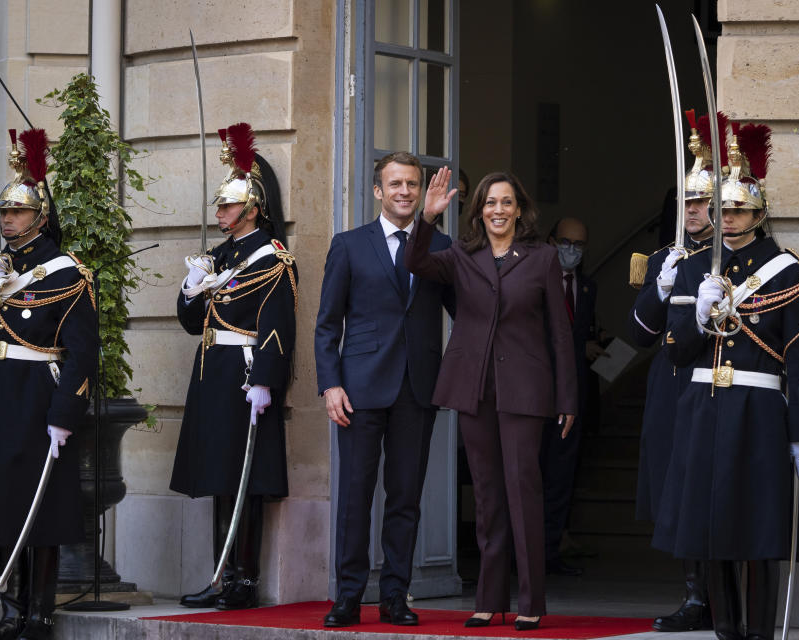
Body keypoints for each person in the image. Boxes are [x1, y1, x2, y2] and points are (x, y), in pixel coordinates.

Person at [652, 122, 799, 640]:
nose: (727, 220)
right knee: (710, 533)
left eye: (739, 211)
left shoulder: (787, 272)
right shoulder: (694, 267)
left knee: (759, 534)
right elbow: (677, 351)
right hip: (703, 407)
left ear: (758, 213)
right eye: (721, 211)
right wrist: (698, 316)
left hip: (758, 411)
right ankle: (726, 630)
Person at [406, 168, 577, 631]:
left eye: (505, 202)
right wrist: (427, 217)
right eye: (489, 203)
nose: (497, 210)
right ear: (478, 212)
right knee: (486, 496)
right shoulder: (461, 254)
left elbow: (560, 335)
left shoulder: (542, 258)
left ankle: (531, 601)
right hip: (473, 385)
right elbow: (414, 262)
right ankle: (489, 598)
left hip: (525, 389)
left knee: (524, 492)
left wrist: (568, 396)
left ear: (519, 209)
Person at [314, 151, 455, 627]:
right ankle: (348, 596)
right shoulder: (349, 245)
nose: (404, 192)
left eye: (412, 184)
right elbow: (327, 324)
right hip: (359, 389)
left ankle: (396, 595)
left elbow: (468, 314)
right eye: (395, 184)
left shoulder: (442, 246)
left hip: (417, 388)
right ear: (378, 190)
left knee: (405, 497)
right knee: (355, 496)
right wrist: (330, 384)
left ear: (422, 191)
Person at [0, 129, 96, 640]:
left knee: (39, 509)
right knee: (4, 505)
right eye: (5, 211)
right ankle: (9, 609)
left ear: (40, 217)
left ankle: (39, 613)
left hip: (37, 399)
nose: (8, 219)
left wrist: (65, 415)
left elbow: (83, 353)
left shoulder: (66, 274)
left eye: (19, 212)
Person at [171, 124, 298, 611]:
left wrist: (266, 379)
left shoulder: (272, 260)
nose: (220, 213)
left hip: (245, 376)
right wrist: (190, 288)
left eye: (228, 205)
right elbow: (189, 322)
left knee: (245, 480)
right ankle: (221, 575)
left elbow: (277, 325)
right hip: (213, 372)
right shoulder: (219, 256)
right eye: (220, 206)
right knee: (222, 477)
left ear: (253, 208)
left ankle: (244, 580)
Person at [631, 110, 720, 633]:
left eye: (701, 201)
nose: (691, 209)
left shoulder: (729, 255)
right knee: (677, 490)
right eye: (685, 201)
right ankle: (693, 595)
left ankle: (718, 596)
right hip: (671, 385)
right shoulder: (662, 257)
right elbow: (638, 333)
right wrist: (660, 290)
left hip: (710, 382)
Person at [539, 217, 601, 577]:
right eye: (565, 242)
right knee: (530, 474)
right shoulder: (534, 280)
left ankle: (549, 551)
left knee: (561, 477)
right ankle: (523, 554)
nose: (572, 251)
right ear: (551, 240)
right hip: (536, 395)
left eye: (579, 245)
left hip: (571, 397)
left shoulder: (588, 288)